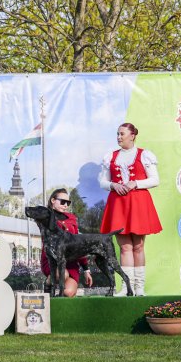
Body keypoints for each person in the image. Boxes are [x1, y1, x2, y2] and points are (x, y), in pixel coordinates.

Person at [99, 122, 161, 296]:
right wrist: (113, 185)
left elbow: (155, 180)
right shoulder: (111, 156)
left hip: (138, 203)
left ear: (132, 135)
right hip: (118, 204)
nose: (119, 137)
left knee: (138, 246)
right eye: (117, 134)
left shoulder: (144, 155)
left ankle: (139, 288)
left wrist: (136, 183)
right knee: (124, 247)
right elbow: (103, 182)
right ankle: (127, 287)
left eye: (122, 134)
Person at [40, 188, 92, 297]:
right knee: (62, 274)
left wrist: (86, 269)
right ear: (53, 200)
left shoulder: (72, 218)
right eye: (63, 202)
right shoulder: (46, 218)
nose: (65, 205)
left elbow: (77, 243)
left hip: (71, 263)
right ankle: (48, 283)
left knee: (68, 292)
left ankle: (59, 293)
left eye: (68, 203)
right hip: (52, 261)